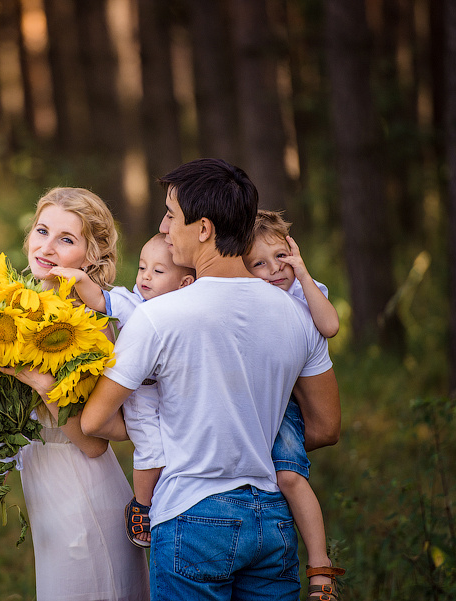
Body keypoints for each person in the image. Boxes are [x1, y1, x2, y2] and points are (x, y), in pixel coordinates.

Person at [79, 158, 342, 601]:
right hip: (273, 521)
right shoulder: (298, 317)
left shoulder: (159, 318)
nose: (164, 229)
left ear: (203, 229)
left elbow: (94, 422)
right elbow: (324, 428)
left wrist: (176, 434)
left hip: (191, 516)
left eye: (170, 215)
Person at [0, 187, 149, 601]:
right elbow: (10, 417)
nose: (47, 246)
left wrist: (44, 384)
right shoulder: (17, 311)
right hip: (46, 495)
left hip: (82, 495)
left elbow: (95, 443)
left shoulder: (90, 325)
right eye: (42, 231)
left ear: (91, 256)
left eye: (66, 239)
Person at [50, 233, 196, 548]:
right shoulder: (134, 304)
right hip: (141, 398)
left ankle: (170, 498)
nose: (144, 276)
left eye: (158, 272)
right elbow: (101, 299)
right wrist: (78, 279)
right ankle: (142, 505)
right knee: (151, 450)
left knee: (178, 450)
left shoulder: (187, 314)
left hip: (176, 398)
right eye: (143, 267)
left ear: (184, 283)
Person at [245, 209, 345, 599]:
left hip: (285, 402)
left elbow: (331, 326)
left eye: (281, 258)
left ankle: (320, 569)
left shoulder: (304, 290)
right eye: (259, 263)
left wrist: (302, 273)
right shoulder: (248, 298)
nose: (274, 270)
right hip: (253, 400)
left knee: (288, 476)